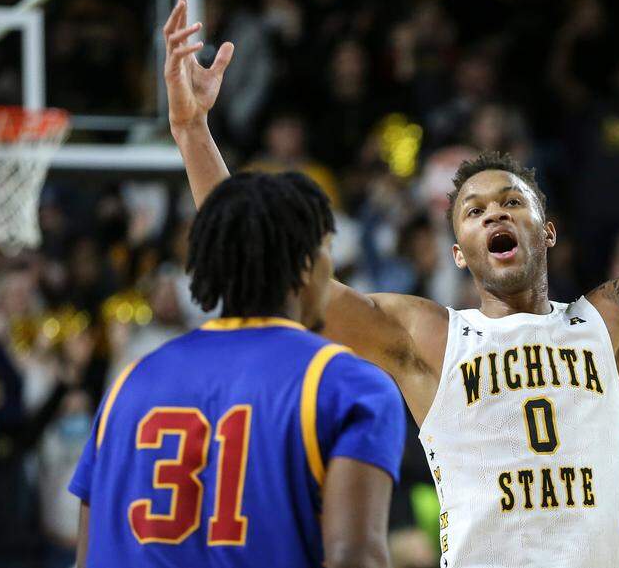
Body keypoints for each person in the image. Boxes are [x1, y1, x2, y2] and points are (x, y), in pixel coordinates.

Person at [164, 0, 619, 566]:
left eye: (513, 201)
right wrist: (195, 133)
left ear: (548, 232)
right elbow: (268, 263)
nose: (496, 211)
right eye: (474, 210)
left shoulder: (612, 320)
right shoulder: (428, 336)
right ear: (458, 252)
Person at [69, 172, 405, 568]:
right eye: (326, 249)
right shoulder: (348, 383)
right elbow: (355, 560)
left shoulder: (128, 382)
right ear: (304, 265)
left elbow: (85, 559)